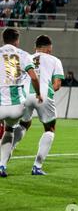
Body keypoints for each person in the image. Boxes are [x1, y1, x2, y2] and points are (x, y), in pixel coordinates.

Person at [11, 35, 64, 175]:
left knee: (24, 124)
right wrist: (49, 91)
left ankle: (7, 152)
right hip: (43, 95)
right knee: (49, 129)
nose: (50, 52)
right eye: (50, 49)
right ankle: (37, 166)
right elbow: (57, 84)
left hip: (24, 95)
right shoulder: (55, 60)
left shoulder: (26, 57)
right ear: (47, 47)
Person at [0, 28, 41, 178]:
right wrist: (38, 93)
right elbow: (34, 78)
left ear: (3, 39)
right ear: (17, 40)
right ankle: (2, 166)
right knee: (9, 130)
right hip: (16, 106)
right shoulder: (23, 55)